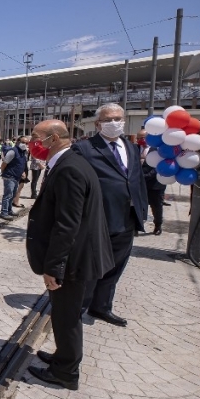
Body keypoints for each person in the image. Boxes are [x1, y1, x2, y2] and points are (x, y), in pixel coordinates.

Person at [25, 120, 114, 391]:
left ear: (53, 138)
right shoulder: (69, 163)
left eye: (36, 137)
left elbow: (67, 225)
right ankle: (63, 357)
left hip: (74, 260)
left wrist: (54, 267)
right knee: (64, 314)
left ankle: (66, 373)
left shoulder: (69, 169)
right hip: (77, 256)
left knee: (67, 317)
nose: (32, 143)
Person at [73, 103, 147, 327]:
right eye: (108, 120)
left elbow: (136, 180)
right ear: (98, 124)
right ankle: (78, 309)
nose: (115, 123)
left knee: (115, 267)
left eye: (118, 118)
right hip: (99, 219)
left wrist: (143, 210)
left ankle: (101, 306)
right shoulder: (84, 149)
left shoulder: (131, 148)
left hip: (127, 218)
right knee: (91, 269)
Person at [138, 128, 165, 235]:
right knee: (138, 205)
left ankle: (158, 225)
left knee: (156, 206)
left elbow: (158, 167)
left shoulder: (157, 150)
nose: (140, 140)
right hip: (138, 182)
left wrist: (145, 176)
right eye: (138, 138)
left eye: (142, 138)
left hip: (155, 183)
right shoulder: (134, 148)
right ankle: (138, 225)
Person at [0, 136, 28, 220]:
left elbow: (20, 164)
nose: (25, 145)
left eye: (27, 143)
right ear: (18, 142)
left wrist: (22, 172)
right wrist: (3, 173)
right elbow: (4, 164)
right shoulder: (12, 151)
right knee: (8, 195)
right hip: (9, 176)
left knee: (13, 194)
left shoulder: (23, 152)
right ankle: (4, 212)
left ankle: (9, 210)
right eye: (23, 142)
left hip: (17, 177)